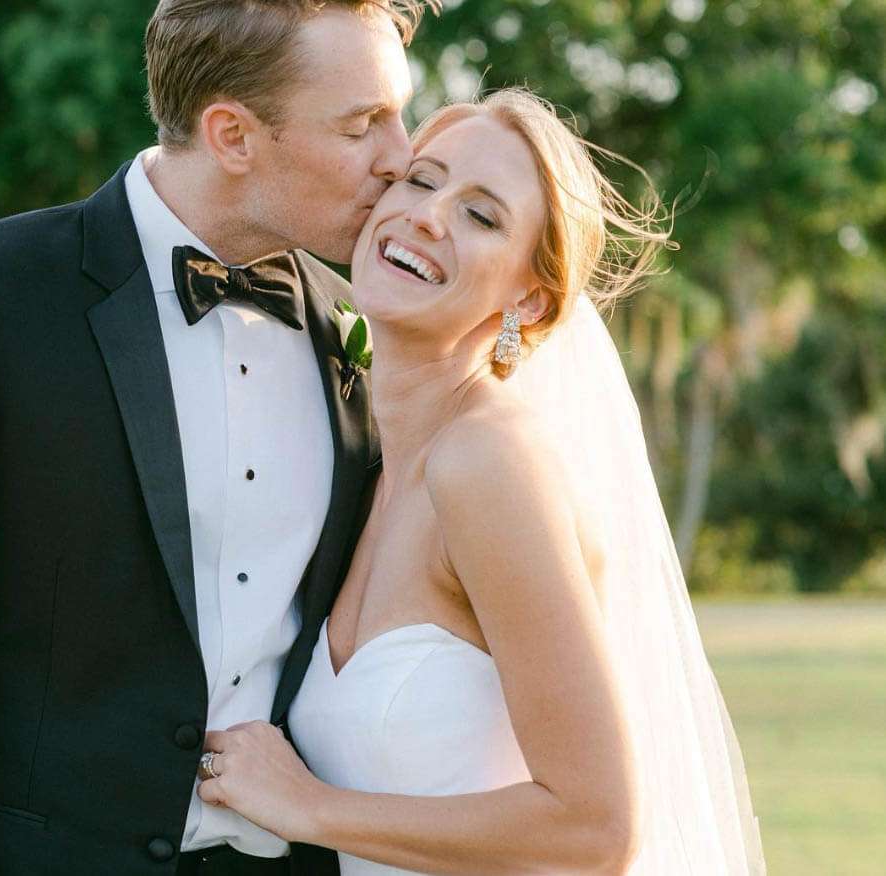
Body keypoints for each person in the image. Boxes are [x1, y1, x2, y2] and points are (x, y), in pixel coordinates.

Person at [0, 2, 438, 873]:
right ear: (231, 135)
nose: (401, 157)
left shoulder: (360, 331)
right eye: (362, 124)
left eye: (399, 115)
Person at [193, 90, 767, 876]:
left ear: (528, 298)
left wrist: (308, 806)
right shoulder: (366, 458)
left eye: (482, 216)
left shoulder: (488, 465)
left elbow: (595, 828)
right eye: (422, 182)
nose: (429, 216)